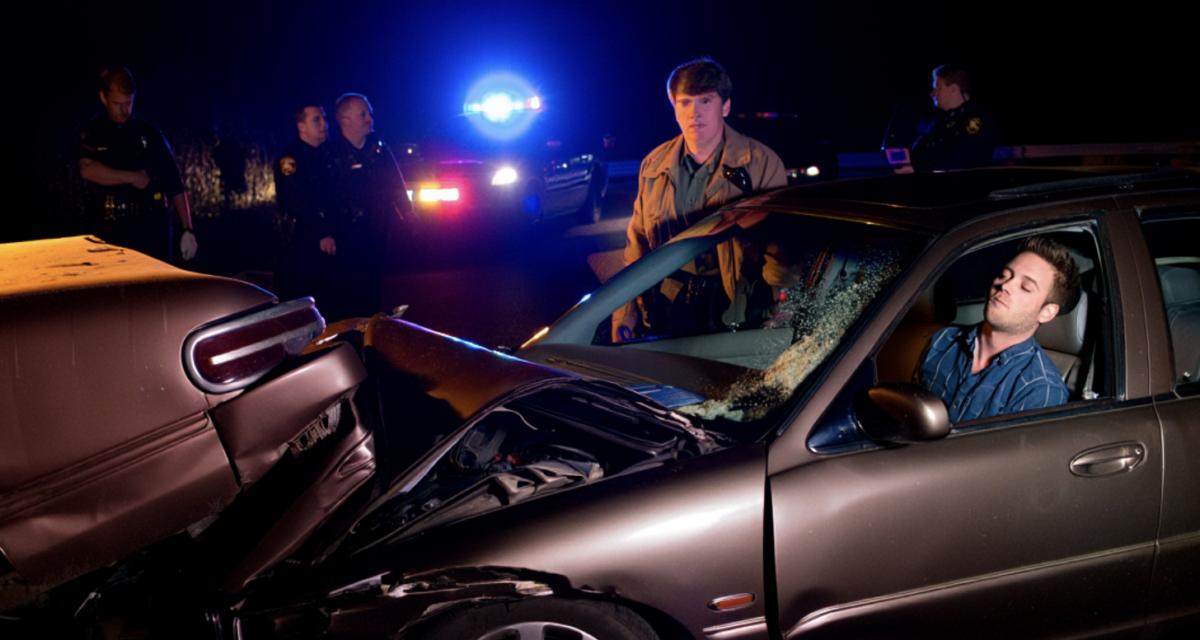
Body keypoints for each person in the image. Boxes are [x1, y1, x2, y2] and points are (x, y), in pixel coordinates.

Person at [614, 57, 787, 341]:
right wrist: (625, 314)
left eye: (705, 101)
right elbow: (638, 244)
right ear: (674, 108)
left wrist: (781, 309)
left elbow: (781, 249)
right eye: (685, 103)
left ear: (725, 106)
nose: (695, 113)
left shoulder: (760, 163)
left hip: (735, 307)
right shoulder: (654, 165)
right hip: (667, 307)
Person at [921, 236, 1081, 423]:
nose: (1005, 285)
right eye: (1004, 275)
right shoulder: (943, 340)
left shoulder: (1040, 391)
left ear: (1046, 313)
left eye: (1025, 287)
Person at [78, 66, 197, 262]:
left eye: (128, 103)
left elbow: (174, 181)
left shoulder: (148, 133)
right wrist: (133, 177)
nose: (124, 110)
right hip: (110, 229)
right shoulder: (93, 132)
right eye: (117, 104)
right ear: (104, 98)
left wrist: (187, 229)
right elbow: (87, 170)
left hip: (150, 227)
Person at [328, 93, 413, 318]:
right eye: (363, 114)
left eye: (369, 113)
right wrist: (326, 230)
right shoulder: (331, 154)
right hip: (345, 232)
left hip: (377, 228)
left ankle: (372, 326)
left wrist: (408, 212)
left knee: (373, 285)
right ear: (345, 120)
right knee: (347, 288)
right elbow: (323, 196)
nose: (369, 119)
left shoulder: (379, 149)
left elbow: (395, 182)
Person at [274, 103, 337, 306]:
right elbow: (296, 200)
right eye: (316, 119)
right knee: (306, 294)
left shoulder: (328, 155)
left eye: (324, 118)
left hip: (328, 234)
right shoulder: (290, 159)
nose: (324, 124)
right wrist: (321, 231)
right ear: (301, 126)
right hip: (304, 238)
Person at [905, 64, 997, 172]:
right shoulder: (938, 121)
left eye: (938, 88)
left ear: (954, 89)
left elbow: (963, 158)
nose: (933, 94)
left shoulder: (976, 119)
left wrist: (917, 169)